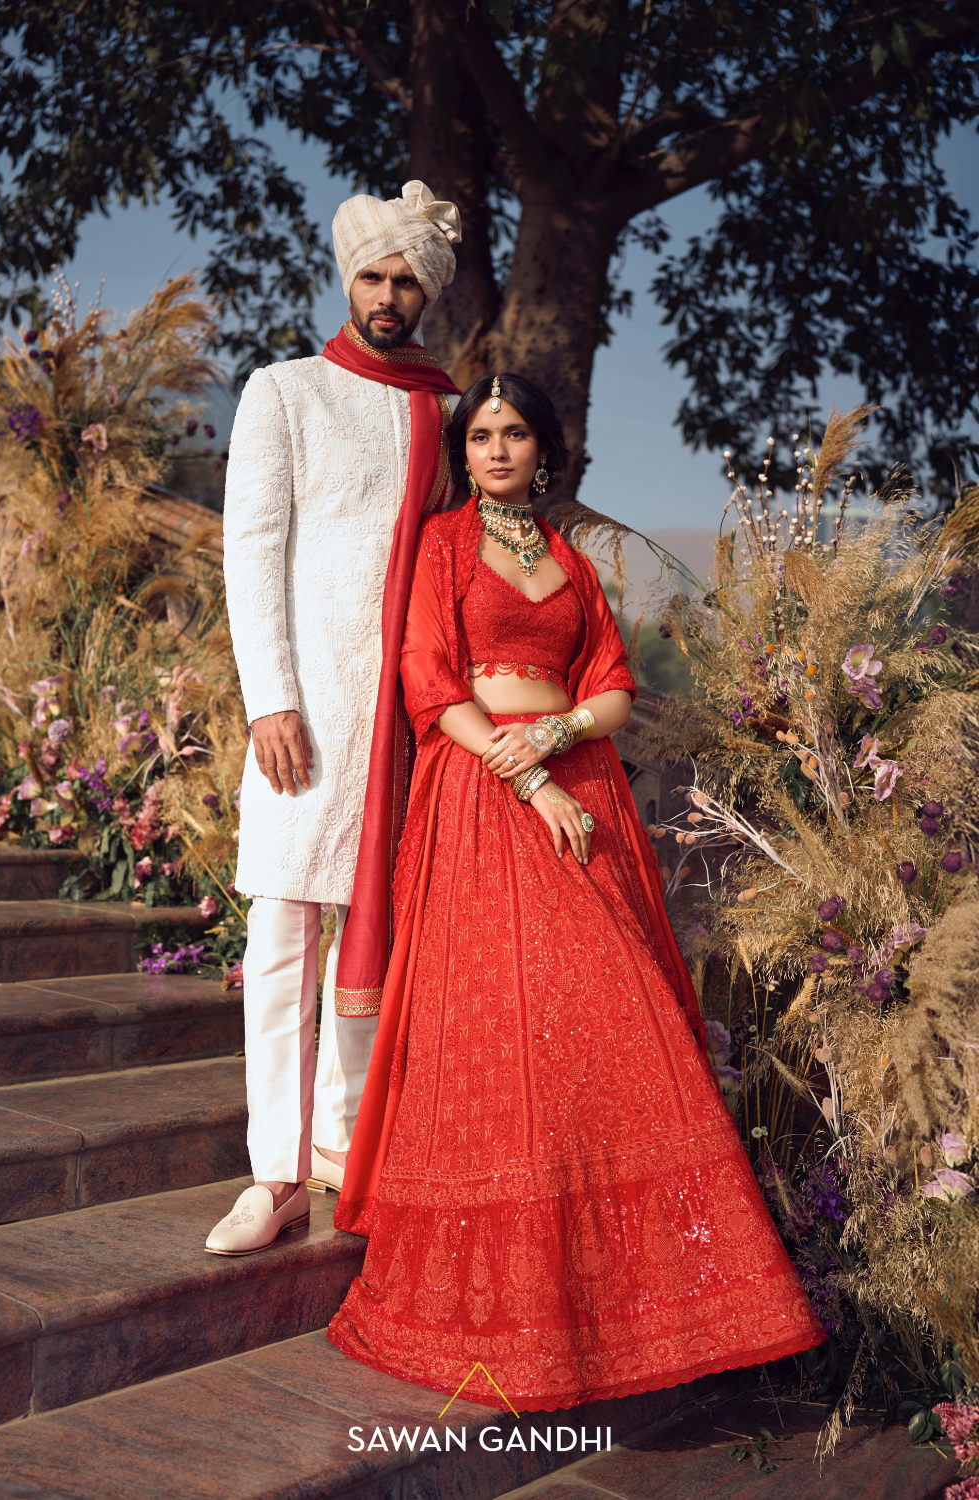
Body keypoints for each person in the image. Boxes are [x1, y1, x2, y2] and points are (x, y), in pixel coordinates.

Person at [325, 373, 825, 1408]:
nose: (497, 449)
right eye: (481, 435)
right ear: (462, 454)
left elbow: (611, 683)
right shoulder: (443, 548)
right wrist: (527, 769)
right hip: (483, 795)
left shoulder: (569, 561)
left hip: (576, 786)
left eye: (514, 434)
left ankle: (646, 1306)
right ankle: (507, 1312)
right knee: (506, 1033)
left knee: (616, 1020)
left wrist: (554, 737)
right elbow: (428, 678)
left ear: (544, 451)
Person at [206, 182, 462, 1256]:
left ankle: (338, 1157)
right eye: (374, 275)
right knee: (279, 935)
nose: (390, 295)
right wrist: (268, 694)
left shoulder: (439, 412)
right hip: (302, 712)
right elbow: (250, 547)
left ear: (426, 294)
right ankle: (270, 1174)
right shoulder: (284, 389)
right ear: (346, 279)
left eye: (408, 280)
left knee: (377, 936)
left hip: (399, 720)